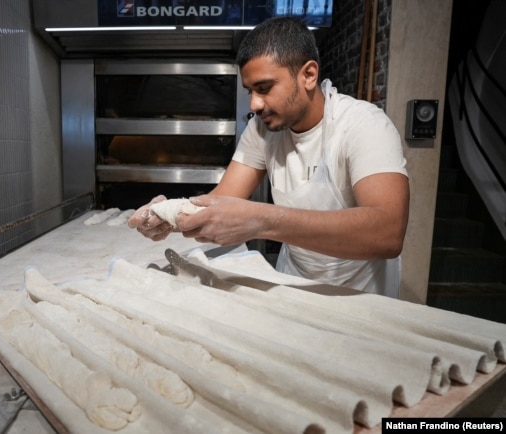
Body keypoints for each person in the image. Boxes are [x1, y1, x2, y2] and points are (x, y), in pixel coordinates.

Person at [127, 16, 409, 297]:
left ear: (308, 75)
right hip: (294, 285)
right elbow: (223, 199)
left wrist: (262, 220)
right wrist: (171, 215)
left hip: (362, 297)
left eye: (264, 89)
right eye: (250, 91)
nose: (254, 104)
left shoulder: (363, 125)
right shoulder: (262, 129)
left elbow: (387, 232)